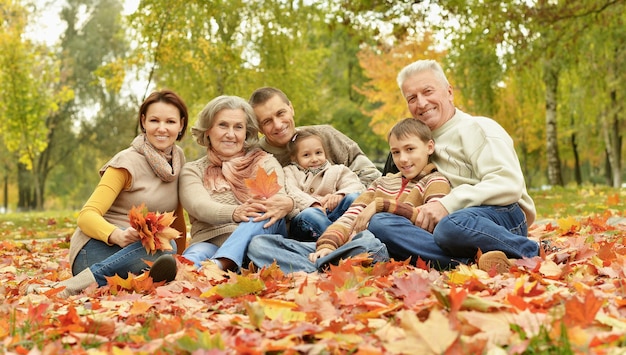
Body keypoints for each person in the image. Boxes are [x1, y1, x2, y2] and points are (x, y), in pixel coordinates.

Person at [373, 59, 539, 273]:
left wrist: (448, 204)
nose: (422, 103)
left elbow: (509, 184)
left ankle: (529, 250)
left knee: (449, 226)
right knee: (380, 223)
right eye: (412, 98)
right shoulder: (415, 146)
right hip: (445, 224)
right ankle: (469, 263)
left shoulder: (478, 128)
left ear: (449, 92)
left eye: (428, 91)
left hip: (501, 217)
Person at [28, 89, 189, 297]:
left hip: (146, 250)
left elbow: (175, 221)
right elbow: (86, 216)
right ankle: (69, 287)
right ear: (143, 122)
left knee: (167, 248)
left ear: (181, 125)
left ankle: (148, 277)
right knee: (166, 247)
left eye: (170, 122)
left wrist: (182, 261)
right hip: (97, 249)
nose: (161, 128)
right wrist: (117, 235)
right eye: (154, 120)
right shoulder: (125, 163)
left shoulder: (178, 162)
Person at [150, 95, 292, 275]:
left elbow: (279, 201)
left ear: (246, 132)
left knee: (264, 207)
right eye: (223, 125)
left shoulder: (264, 162)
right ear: (207, 129)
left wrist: (250, 212)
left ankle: (220, 264)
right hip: (211, 241)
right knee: (196, 254)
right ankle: (176, 273)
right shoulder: (192, 170)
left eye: (238, 127)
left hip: (261, 239)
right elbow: (199, 206)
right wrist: (234, 212)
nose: (231, 134)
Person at [310, 118, 451, 262]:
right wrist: (326, 245)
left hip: (396, 248)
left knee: (378, 223)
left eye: (410, 149)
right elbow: (350, 217)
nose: (402, 159)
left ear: (429, 147)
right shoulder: (382, 183)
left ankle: (339, 257)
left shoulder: (436, 181)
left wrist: (382, 206)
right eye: (396, 152)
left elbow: (429, 222)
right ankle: (329, 256)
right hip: (361, 243)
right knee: (295, 247)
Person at [249, 87, 381, 188]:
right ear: (259, 128)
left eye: (281, 113)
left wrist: (344, 199)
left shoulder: (325, 135)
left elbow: (371, 176)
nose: (278, 125)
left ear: (291, 108)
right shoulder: (255, 159)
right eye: (267, 121)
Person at [284, 128, 365, 241]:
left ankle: (344, 237)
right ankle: (340, 241)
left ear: (325, 153)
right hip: (306, 222)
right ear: (294, 158)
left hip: (337, 217)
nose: (314, 159)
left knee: (354, 198)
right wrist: (314, 204)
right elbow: (291, 192)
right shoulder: (290, 172)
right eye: (306, 155)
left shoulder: (337, 170)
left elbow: (357, 186)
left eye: (318, 153)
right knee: (310, 214)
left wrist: (341, 194)